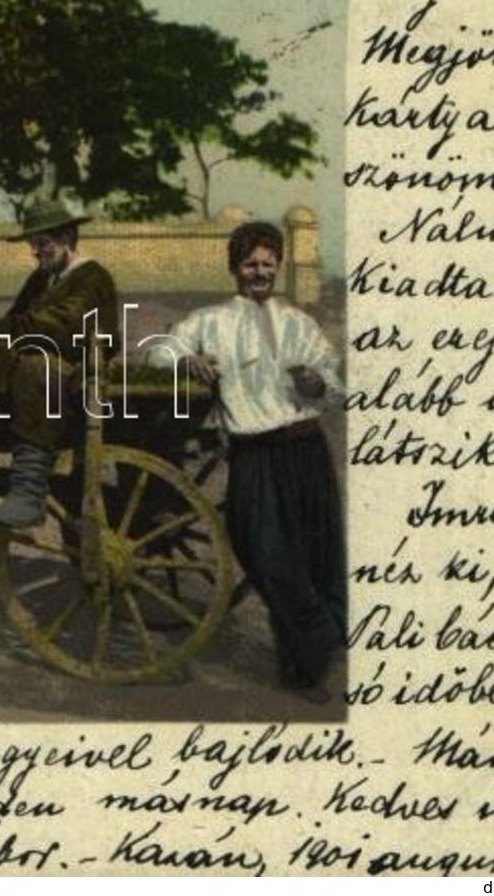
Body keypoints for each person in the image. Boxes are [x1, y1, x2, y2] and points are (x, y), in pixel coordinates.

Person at [157, 220, 345, 702]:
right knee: (266, 553)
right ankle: (323, 640)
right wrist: (187, 361)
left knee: (313, 559)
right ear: (234, 270)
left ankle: (304, 671)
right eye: (250, 264)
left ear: (278, 269)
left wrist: (317, 384)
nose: (259, 273)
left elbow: (334, 384)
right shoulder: (212, 321)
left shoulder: (299, 323)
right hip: (254, 455)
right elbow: (162, 350)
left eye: (267, 264)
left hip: (306, 451)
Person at [0, 200, 119, 528]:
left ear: (68, 237)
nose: (36, 252)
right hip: (37, 359)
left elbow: (67, 324)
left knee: (36, 368)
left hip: (77, 369)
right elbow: (16, 319)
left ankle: (28, 491)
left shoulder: (92, 277)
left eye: (43, 244)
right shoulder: (42, 279)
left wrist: (13, 331)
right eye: (33, 245)